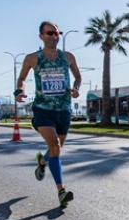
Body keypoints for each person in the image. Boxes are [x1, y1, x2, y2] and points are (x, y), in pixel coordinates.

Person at [15, 21, 82, 208]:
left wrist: (76, 89)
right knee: (55, 144)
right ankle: (61, 191)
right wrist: (19, 91)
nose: (54, 36)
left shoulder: (68, 57)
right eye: (50, 33)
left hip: (64, 110)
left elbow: (78, 76)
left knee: (55, 150)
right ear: (41, 36)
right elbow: (21, 78)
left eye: (57, 33)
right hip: (42, 110)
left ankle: (42, 161)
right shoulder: (32, 58)